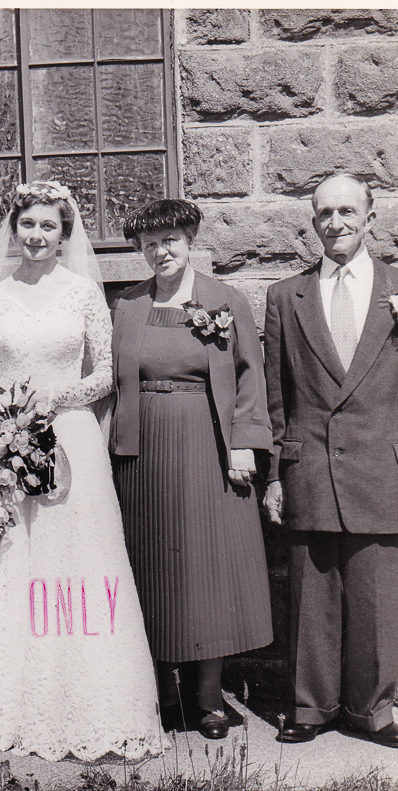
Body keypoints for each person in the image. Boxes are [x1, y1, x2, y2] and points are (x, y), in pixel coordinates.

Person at [0, 181, 166, 761]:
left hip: (66, 434)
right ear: (14, 230)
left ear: (64, 234)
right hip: (2, 433)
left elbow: (105, 374)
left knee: (70, 564)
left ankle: (77, 702)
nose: (37, 237)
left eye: (49, 227)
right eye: (28, 226)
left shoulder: (83, 295)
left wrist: (52, 398)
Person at [264, 174, 398, 749]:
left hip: (385, 470)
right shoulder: (284, 297)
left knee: (377, 601)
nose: (335, 223)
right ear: (312, 221)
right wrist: (274, 473)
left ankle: (373, 711)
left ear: (371, 217)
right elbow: (276, 395)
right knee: (311, 598)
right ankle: (311, 707)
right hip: (309, 467)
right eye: (324, 213)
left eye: (346, 211)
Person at [111, 199, 273, 740]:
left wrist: (245, 444)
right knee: (151, 566)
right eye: (150, 243)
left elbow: (250, 376)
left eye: (171, 240)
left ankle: (207, 695)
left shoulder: (225, 300)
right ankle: (160, 691)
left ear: (190, 241)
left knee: (206, 569)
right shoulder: (128, 305)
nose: (161, 251)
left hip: (208, 444)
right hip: (142, 452)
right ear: (139, 249)